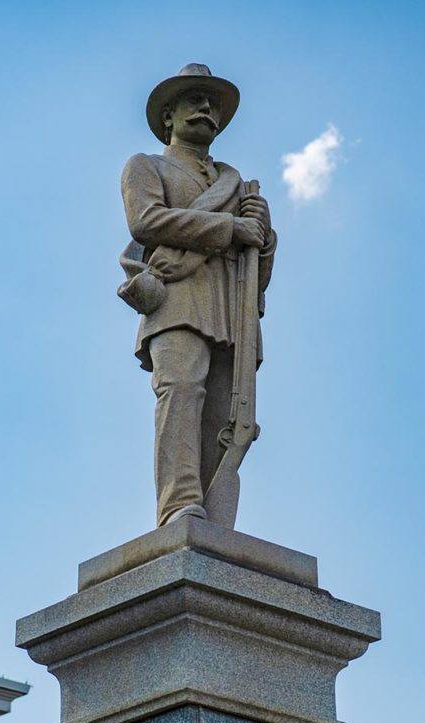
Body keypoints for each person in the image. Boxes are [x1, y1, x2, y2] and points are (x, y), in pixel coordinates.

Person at [119, 63, 277, 527]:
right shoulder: (146, 166)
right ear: (168, 115)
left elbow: (257, 276)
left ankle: (215, 515)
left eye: (213, 105)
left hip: (231, 309)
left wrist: (263, 236)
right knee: (182, 392)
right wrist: (230, 227)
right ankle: (179, 504)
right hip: (178, 300)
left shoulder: (235, 182)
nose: (207, 109)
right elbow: (146, 221)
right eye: (195, 100)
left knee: (226, 417)